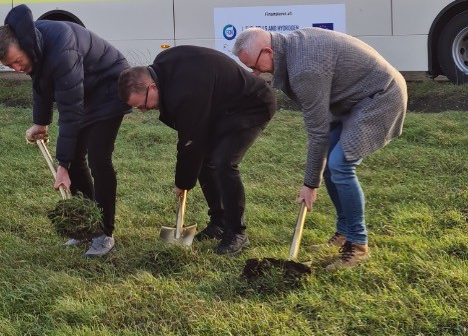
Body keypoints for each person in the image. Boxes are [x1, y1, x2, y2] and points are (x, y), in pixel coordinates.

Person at [233, 27, 407, 270]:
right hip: (353, 100)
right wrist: (314, 177)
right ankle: (344, 232)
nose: (256, 72)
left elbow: (318, 132)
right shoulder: (290, 49)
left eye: (256, 65)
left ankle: (358, 245)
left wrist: (309, 185)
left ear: (268, 51)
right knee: (329, 167)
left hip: (381, 96)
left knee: (340, 164)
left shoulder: (304, 68)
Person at [118, 45, 276, 256]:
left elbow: (190, 141)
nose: (145, 111)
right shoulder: (164, 67)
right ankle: (219, 221)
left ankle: (236, 232)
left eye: (143, 105)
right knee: (204, 161)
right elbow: (192, 139)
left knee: (224, 161)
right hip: (221, 109)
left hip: (252, 104)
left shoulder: (184, 92)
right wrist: (186, 177)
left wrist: (182, 182)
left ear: (152, 87)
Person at [0, 4, 131, 257]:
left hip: (110, 87)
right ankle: (86, 227)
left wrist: (62, 165)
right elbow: (41, 83)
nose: (17, 68)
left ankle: (104, 233)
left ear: (25, 46)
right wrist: (41, 121)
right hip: (84, 90)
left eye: (17, 61)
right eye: (11, 66)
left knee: (98, 157)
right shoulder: (32, 49)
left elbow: (71, 111)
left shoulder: (62, 49)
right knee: (76, 159)